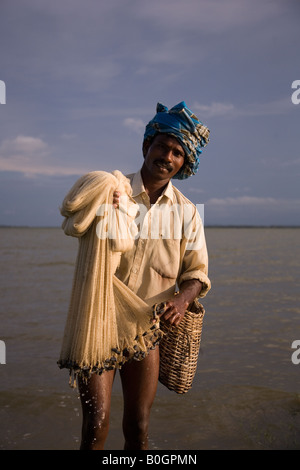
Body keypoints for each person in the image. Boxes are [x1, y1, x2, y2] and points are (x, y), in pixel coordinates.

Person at [60, 101, 211, 450]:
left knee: (138, 427)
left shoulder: (187, 213)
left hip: (147, 327)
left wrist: (182, 299)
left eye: (177, 152)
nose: (167, 156)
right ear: (146, 146)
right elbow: (74, 223)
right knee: (95, 425)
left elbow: (197, 274)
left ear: (184, 163)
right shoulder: (113, 191)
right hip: (99, 322)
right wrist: (104, 206)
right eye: (162, 146)